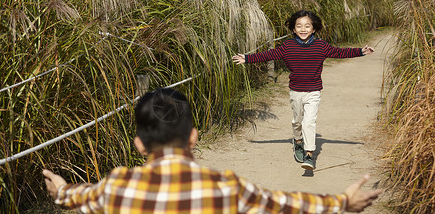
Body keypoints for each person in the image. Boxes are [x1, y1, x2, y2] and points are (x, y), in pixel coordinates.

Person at [43, 87, 381, 213]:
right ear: (194, 137)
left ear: (139, 145)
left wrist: (61, 191)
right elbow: (285, 203)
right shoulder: (226, 187)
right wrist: (342, 203)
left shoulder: (117, 186)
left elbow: (81, 196)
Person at [232, 10, 375, 170]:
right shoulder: (287, 46)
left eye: (307, 26)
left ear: (314, 29)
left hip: (313, 92)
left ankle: (308, 154)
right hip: (296, 92)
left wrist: (361, 51)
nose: (303, 29)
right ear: (293, 29)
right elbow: (269, 54)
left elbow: (340, 52)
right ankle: (298, 140)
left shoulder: (321, 46)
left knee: (309, 122)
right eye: (299, 26)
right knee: (297, 121)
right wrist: (247, 58)